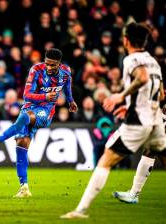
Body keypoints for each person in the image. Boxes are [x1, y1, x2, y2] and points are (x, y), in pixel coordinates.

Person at [61, 23, 166, 219]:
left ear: (126, 40)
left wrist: (120, 96)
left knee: (105, 160)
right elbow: (160, 95)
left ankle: (80, 210)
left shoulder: (131, 59)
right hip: (157, 120)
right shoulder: (154, 62)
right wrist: (132, 102)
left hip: (138, 122)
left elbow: (142, 78)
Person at [0, 48, 78, 197]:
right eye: (47, 63)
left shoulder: (66, 72)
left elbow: (67, 86)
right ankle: (24, 187)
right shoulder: (36, 70)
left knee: (25, 117)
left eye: (53, 65)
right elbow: (26, 95)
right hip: (31, 106)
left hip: (45, 113)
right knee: (21, 144)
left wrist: (70, 101)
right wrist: (46, 96)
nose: (49, 67)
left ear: (59, 64)